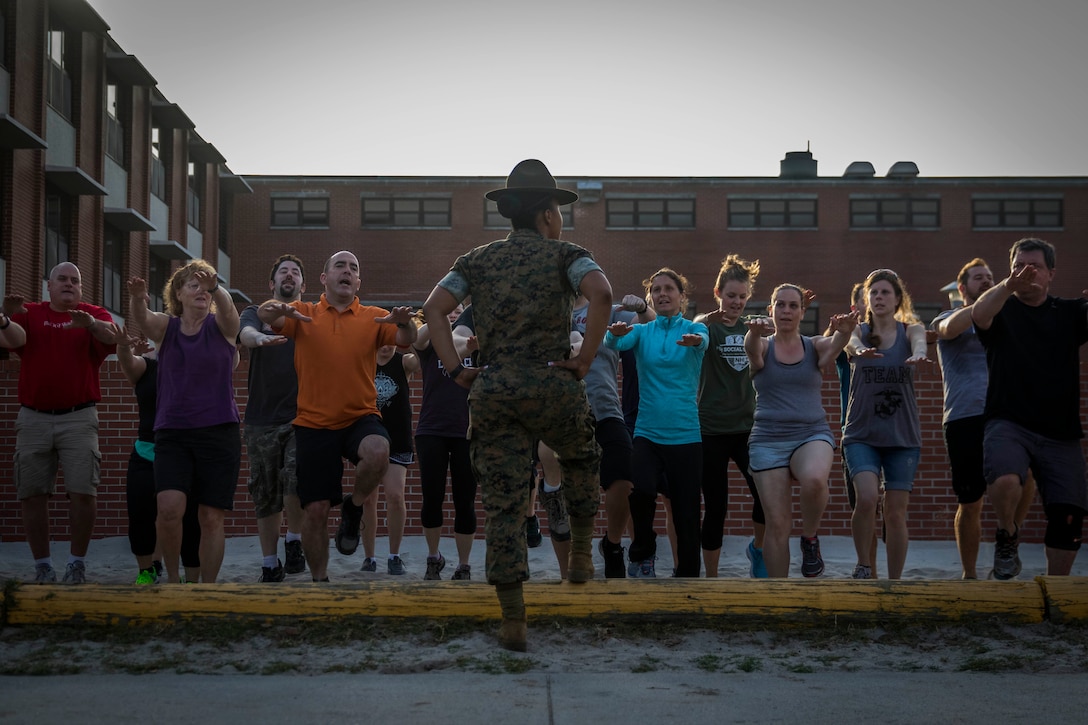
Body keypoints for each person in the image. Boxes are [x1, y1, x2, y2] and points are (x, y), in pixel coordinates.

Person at [422, 159, 612, 652]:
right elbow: (602, 293)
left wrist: (456, 369)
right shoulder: (567, 255)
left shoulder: (476, 261)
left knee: (505, 501)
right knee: (581, 456)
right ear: (549, 214)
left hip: (496, 389)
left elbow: (434, 309)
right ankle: (581, 556)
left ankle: (513, 619)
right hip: (554, 383)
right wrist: (585, 359)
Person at [257, 250, 417, 582]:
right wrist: (275, 307)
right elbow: (266, 315)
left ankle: (354, 506)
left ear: (358, 281)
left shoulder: (373, 316)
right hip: (313, 425)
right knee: (314, 512)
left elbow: (406, 339)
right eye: (340, 266)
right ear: (324, 278)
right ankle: (320, 583)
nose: (347, 271)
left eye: (353, 268)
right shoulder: (304, 313)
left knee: (378, 451)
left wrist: (403, 322)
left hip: (360, 416)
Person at [971, 238, 1088, 578]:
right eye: (1019, 265)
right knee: (1006, 480)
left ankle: (1056, 591)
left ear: (1051, 273)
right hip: (1008, 422)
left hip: (1060, 432)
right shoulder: (1001, 308)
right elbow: (978, 314)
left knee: (1068, 517)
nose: (1026, 271)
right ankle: (1007, 534)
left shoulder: (1068, 312)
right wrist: (1007, 285)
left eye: (1034, 266)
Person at [1, 262, 117, 583]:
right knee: (33, 493)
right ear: (48, 286)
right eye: (62, 280)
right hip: (33, 417)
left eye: (75, 281)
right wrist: (4, 317)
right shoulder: (31, 313)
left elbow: (112, 337)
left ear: (81, 288)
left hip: (79, 417)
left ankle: (76, 563)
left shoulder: (93, 314)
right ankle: (43, 566)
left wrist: (90, 324)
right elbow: (10, 340)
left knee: (83, 491)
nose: (69, 284)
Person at [129, 261, 241, 584]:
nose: (200, 291)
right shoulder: (168, 328)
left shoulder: (222, 327)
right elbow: (143, 319)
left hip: (219, 432)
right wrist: (138, 298)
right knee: (168, 508)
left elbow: (230, 311)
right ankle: (174, 582)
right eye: (192, 285)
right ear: (178, 293)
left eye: (205, 287)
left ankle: (205, 589)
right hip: (173, 434)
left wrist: (217, 288)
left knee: (209, 516)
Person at [745, 284, 857, 578]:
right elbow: (752, 350)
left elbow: (835, 345)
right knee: (777, 524)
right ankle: (779, 597)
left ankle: (809, 539)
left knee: (815, 480)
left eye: (793, 305)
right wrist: (754, 332)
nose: (786, 310)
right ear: (771, 310)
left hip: (810, 433)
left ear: (802, 312)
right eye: (780, 305)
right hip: (768, 440)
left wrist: (844, 331)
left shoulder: (814, 346)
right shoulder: (764, 345)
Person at [604, 268, 708, 578]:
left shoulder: (694, 329)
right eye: (657, 290)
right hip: (648, 433)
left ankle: (688, 574)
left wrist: (695, 341)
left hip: (686, 435)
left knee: (687, 513)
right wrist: (616, 333)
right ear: (651, 297)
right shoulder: (643, 332)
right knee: (641, 491)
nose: (662, 294)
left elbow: (704, 341)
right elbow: (613, 343)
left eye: (669, 289)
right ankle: (642, 551)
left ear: (681, 296)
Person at [842, 269, 929, 580]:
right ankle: (864, 565)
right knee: (866, 498)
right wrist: (858, 349)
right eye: (874, 293)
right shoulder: (859, 332)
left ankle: (895, 583)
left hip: (902, 437)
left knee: (894, 513)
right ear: (867, 299)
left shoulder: (910, 331)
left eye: (885, 293)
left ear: (897, 299)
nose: (878, 297)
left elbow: (921, 342)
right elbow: (849, 343)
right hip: (861, 434)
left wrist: (919, 355)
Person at [694, 254, 765, 578]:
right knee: (716, 507)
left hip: (746, 429)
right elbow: (693, 331)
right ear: (718, 293)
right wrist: (703, 321)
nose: (736, 302)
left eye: (741, 296)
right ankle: (712, 576)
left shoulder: (753, 328)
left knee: (764, 494)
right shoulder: (706, 325)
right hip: (711, 430)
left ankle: (758, 550)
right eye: (730, 295)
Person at [238, 254, 307, 582]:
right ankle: (269, 562)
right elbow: (246, 334)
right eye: (283, 272)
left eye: (295, 272)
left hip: (302, 415)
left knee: (295, 480)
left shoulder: (309, 316)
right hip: (261, 418)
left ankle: (293, 540)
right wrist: (259, 339)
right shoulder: (253, 313)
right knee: (265, 492)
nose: (289, 276)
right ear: (272, 284)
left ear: (302, 286)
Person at [112, 333, 202, 584]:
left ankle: (190, 577)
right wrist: (122, 347)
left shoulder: (194, 367)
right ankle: (146, 570)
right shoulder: (147, 365)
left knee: (188, 519)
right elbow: (128, 362)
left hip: (185, 453)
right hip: (146, 451)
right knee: (141, 515)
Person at [572, 294, 651, 578]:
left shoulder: (608, 310)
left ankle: (613, 544)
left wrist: (642, 307)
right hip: (561, 415)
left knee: (625, 479)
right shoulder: (547, 310)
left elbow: (649, 327)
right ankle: (573, 559)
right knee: (572, 490)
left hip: (605, 408)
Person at [412, 304, 478, 580]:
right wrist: (434, 318)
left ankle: (464, 565)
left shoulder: (474, 345)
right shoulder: (429, 344)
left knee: (465, 501)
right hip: (431, 430)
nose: (452, 314)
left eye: (457, 311)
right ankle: (433, 557)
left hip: (466, 432)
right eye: (446, 309)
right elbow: (417, 339)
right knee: (432, 499)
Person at [360, 344, 419, 575]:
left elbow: (421, 354)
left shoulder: (405, 362)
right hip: (369, 436)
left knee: (395, 496)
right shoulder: (363, 360)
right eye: (382, 339)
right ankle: (369, 557)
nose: (386, 345)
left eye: (391, 339)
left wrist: (413, 328)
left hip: (397, 437)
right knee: (368, 500)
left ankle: (394, 556)